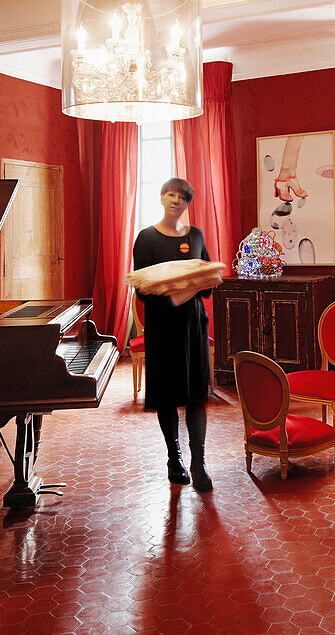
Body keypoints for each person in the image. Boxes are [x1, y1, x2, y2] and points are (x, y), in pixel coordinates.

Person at [132, 177, 219, 492]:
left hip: (194, 324)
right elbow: (142, 291)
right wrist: (173, 293)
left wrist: (203, 282)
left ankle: (199, 463)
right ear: (161, 198)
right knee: (168, 395)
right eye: (169, 194)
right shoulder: (146, 238)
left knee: (197, 394)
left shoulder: (196, 235)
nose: (174, 201)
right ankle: (174, 457)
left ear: (187, 203)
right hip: (163, 325)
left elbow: (208, 275)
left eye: (181, 197)